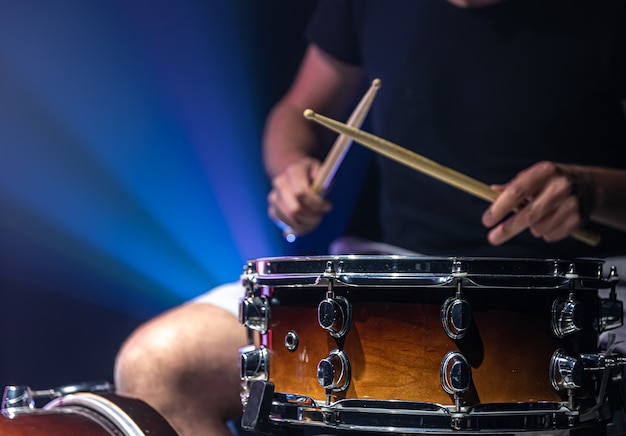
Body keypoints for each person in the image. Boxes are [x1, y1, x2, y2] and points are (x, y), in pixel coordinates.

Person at [114, 0, 626, 435]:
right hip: (397, 272)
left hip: (586, 286)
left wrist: (594, 190)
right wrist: (292, 171)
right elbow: (296, 112)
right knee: (161, 364)